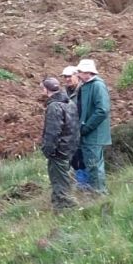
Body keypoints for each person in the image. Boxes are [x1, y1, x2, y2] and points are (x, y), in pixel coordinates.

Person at [39, 77, 79, 212]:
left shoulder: (54, 106)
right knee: (66, 178)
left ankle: (64, 209)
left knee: (59, 182)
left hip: (59, 152)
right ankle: (63, 206)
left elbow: (53, 132)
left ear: (46, 89)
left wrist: (47, 150)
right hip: (70, 148)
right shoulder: (70, 103)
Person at [75, 58, 112, 195]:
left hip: (93, 134)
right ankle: (95, 192)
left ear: (88, 72)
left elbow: (102, 110)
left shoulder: (97, 86)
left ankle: (99, 193)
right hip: (88, 134)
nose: (78, 74)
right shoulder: (87, 85)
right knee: (91, 165)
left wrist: (86, 128)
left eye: (80, 72)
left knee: (94, 166)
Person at [62, 66, 90, 189]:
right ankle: (80, 182)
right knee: (74, 157)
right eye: (65, 77)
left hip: (82, 129)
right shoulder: (65, 93)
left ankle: (86, 184)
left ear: (77, 76)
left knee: (83, 156)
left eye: (70, 76)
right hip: (70, 130)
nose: (67, 79)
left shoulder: (83, 91)